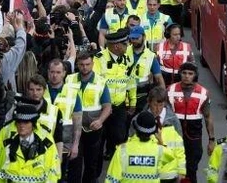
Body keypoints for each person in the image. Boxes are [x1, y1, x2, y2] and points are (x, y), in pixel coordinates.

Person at [64, 50, 112, 183]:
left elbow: (107, 106)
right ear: (77, 65)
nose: (85, 67)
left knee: (91, 164)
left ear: (92, 63)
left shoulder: (101, 82)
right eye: (81, 64)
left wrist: (100, 120)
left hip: (93, 129)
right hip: (74, 129)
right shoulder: (69, 79)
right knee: (74, 163)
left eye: (87, 64)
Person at [0, 99, 61, 183]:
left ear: (33, 123)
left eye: (26, 122)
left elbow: (53, 168)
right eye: (19, 121)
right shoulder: (5, 132)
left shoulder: (45, 136)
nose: (22, 125)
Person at [167, 62, 215, 182]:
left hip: (194, 137)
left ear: (195, 75)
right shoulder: (170, 90)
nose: (187, 76)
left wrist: (211, 140)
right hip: (173, 136)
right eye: (184, 73)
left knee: (191, 169)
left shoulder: (203, 93)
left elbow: (208, 117)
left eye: (190, 73)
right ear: (180, 74)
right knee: (173, 168)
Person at [94, 29, 137, 163]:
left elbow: (131, 81)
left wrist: (133, 101)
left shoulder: (127, 60)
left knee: (119, 136)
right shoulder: (99, 59)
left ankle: (114, 160)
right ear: (117, 46)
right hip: (102, 107)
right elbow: (96, 85)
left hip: (119, 107)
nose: (128, 46)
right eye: (126, 44)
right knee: (100, 139)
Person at [104, 110, 177, 183]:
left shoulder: (122, 150)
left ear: (135, 129)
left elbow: (111, 179)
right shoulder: (160, 151)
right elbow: (171, 159)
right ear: (154, 132)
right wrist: (161, 141)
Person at [145, 86, 186, 183]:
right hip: (148, 172)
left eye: (161, 105)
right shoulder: (139, 120)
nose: (158, 109)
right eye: (155, 105)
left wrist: (181, 171)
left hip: (169, 174)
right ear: (149, 102)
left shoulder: (173, 120)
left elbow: (180, 148)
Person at [126, 26, 164, 112]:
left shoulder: (150, 56)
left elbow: (159, 78)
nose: (134, 40)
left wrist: (162, 97)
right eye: (132, 38)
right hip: (125, 94)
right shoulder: (124, 52)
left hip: (142, 95)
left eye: (137, 38)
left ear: (144, 37)